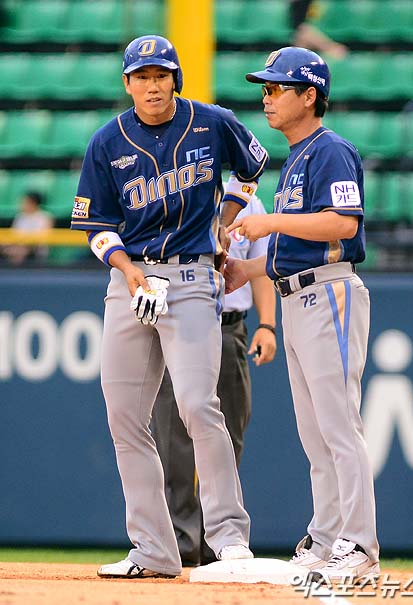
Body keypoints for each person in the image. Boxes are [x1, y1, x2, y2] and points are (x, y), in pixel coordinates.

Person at [70, 34, 268, 579]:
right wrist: (129, 272)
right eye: (142, 76)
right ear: (128, 83)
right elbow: (95, 225)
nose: (153, 85)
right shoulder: (107, 141)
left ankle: (229, 539)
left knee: (199, 407)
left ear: (175, 79)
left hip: (188, 275)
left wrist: (226, 219)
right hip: (130, 283)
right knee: (125, 419)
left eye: (162, 75)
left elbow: (252, 164)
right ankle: (154, 551)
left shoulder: (210, 121)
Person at [224, 47, 379, 583]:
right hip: (297, 293)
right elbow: (296, 246)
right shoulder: (299, 156)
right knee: (315, 432)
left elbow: (341, 225)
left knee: (338, 423)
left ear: (308, 95)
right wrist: (250, 272)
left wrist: (271, 224)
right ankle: (328, 536)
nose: (266, 97)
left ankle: (359, 543)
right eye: (264, 89)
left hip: (329, 293)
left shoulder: (330, 149)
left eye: (276, 88)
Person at [151, 188, 277, 566]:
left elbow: (262, 268)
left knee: (230, 431)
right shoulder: (177, 188)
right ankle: (178, 537)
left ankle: (219, 540)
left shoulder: (250, 204)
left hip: (229, 325)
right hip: (180, 325)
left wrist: (267, 325)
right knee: (172, 435)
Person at [3, 191, 53, 265]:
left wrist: (23, 244)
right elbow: (13, 234)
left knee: (20, 251)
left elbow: (41, 239)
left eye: (25, 202)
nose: (22, 204)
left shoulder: (45, 217)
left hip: (35, 249)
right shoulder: (20, 216)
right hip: (18, 245)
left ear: (33, 203)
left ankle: (17, 271)